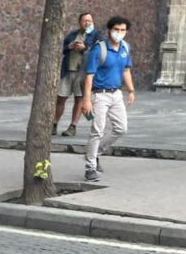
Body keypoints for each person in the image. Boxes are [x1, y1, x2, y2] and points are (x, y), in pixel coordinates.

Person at [81, 16, 135, 182]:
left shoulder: (125, 47)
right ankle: (90, 167)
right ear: (110, 30)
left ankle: (96, 152)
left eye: (122, 30)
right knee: (97, 130)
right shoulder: (99, 49)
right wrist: (87, 99)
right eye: (116, 29)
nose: (119, 33)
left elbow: (126, 70)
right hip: (99, 94)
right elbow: (89, 75)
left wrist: (131, 90)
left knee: (121, 128)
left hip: (116, 94)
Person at [54, 12, 99, 137]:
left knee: (79, 99)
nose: (87, 23)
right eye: (84, 20)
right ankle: (54, 123)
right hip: (68, 71)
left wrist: (85, 47)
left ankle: (73, 126)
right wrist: (69, 46)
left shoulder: (96, 35)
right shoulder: (73, 35)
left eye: (90, 20)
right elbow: (62, 49)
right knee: (60, 98)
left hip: (83, 73)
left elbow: (99, 51)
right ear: (79, 22)